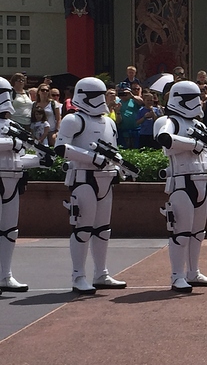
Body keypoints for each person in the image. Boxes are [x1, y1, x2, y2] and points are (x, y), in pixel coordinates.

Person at [54, 77, 128, 293]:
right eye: (96, 95)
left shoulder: (109, 122)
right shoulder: (73, 120)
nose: (100, 99)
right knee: (82, 228)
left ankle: (101, 273)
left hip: (105, 178)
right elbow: (61, 148)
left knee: (103, 229)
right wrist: (92, 158)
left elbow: (113, 149)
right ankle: (78, 275)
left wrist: (118, 164)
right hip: (83, 177)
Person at [154, 80, 207, 293]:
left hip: (201, 181)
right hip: (181, 182)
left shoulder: (199, 125)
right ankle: (177, 275)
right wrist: (193, 144)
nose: (198, 102)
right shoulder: (171, 121)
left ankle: (193, 272)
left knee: (198, 232)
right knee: (181, 232)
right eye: (193, 98)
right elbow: (165, 139)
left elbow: (205, 153)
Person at [0, 77, 53, 291]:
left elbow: (18, 158)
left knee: (10, 230)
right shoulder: (12, 132)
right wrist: (12, 142)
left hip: (13, 179)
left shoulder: (13, 126)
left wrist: (39, 161)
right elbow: (11, 146)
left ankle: (5, 275)